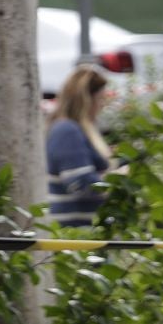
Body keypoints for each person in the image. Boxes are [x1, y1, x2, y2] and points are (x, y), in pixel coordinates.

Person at [46, 65, 115, 228]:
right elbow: (80, 183)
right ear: (86, 99)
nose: (102, 105)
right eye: (100, 99)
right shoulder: (67, 131)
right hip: (76, 231)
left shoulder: (75, 129)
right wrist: (118, 180)